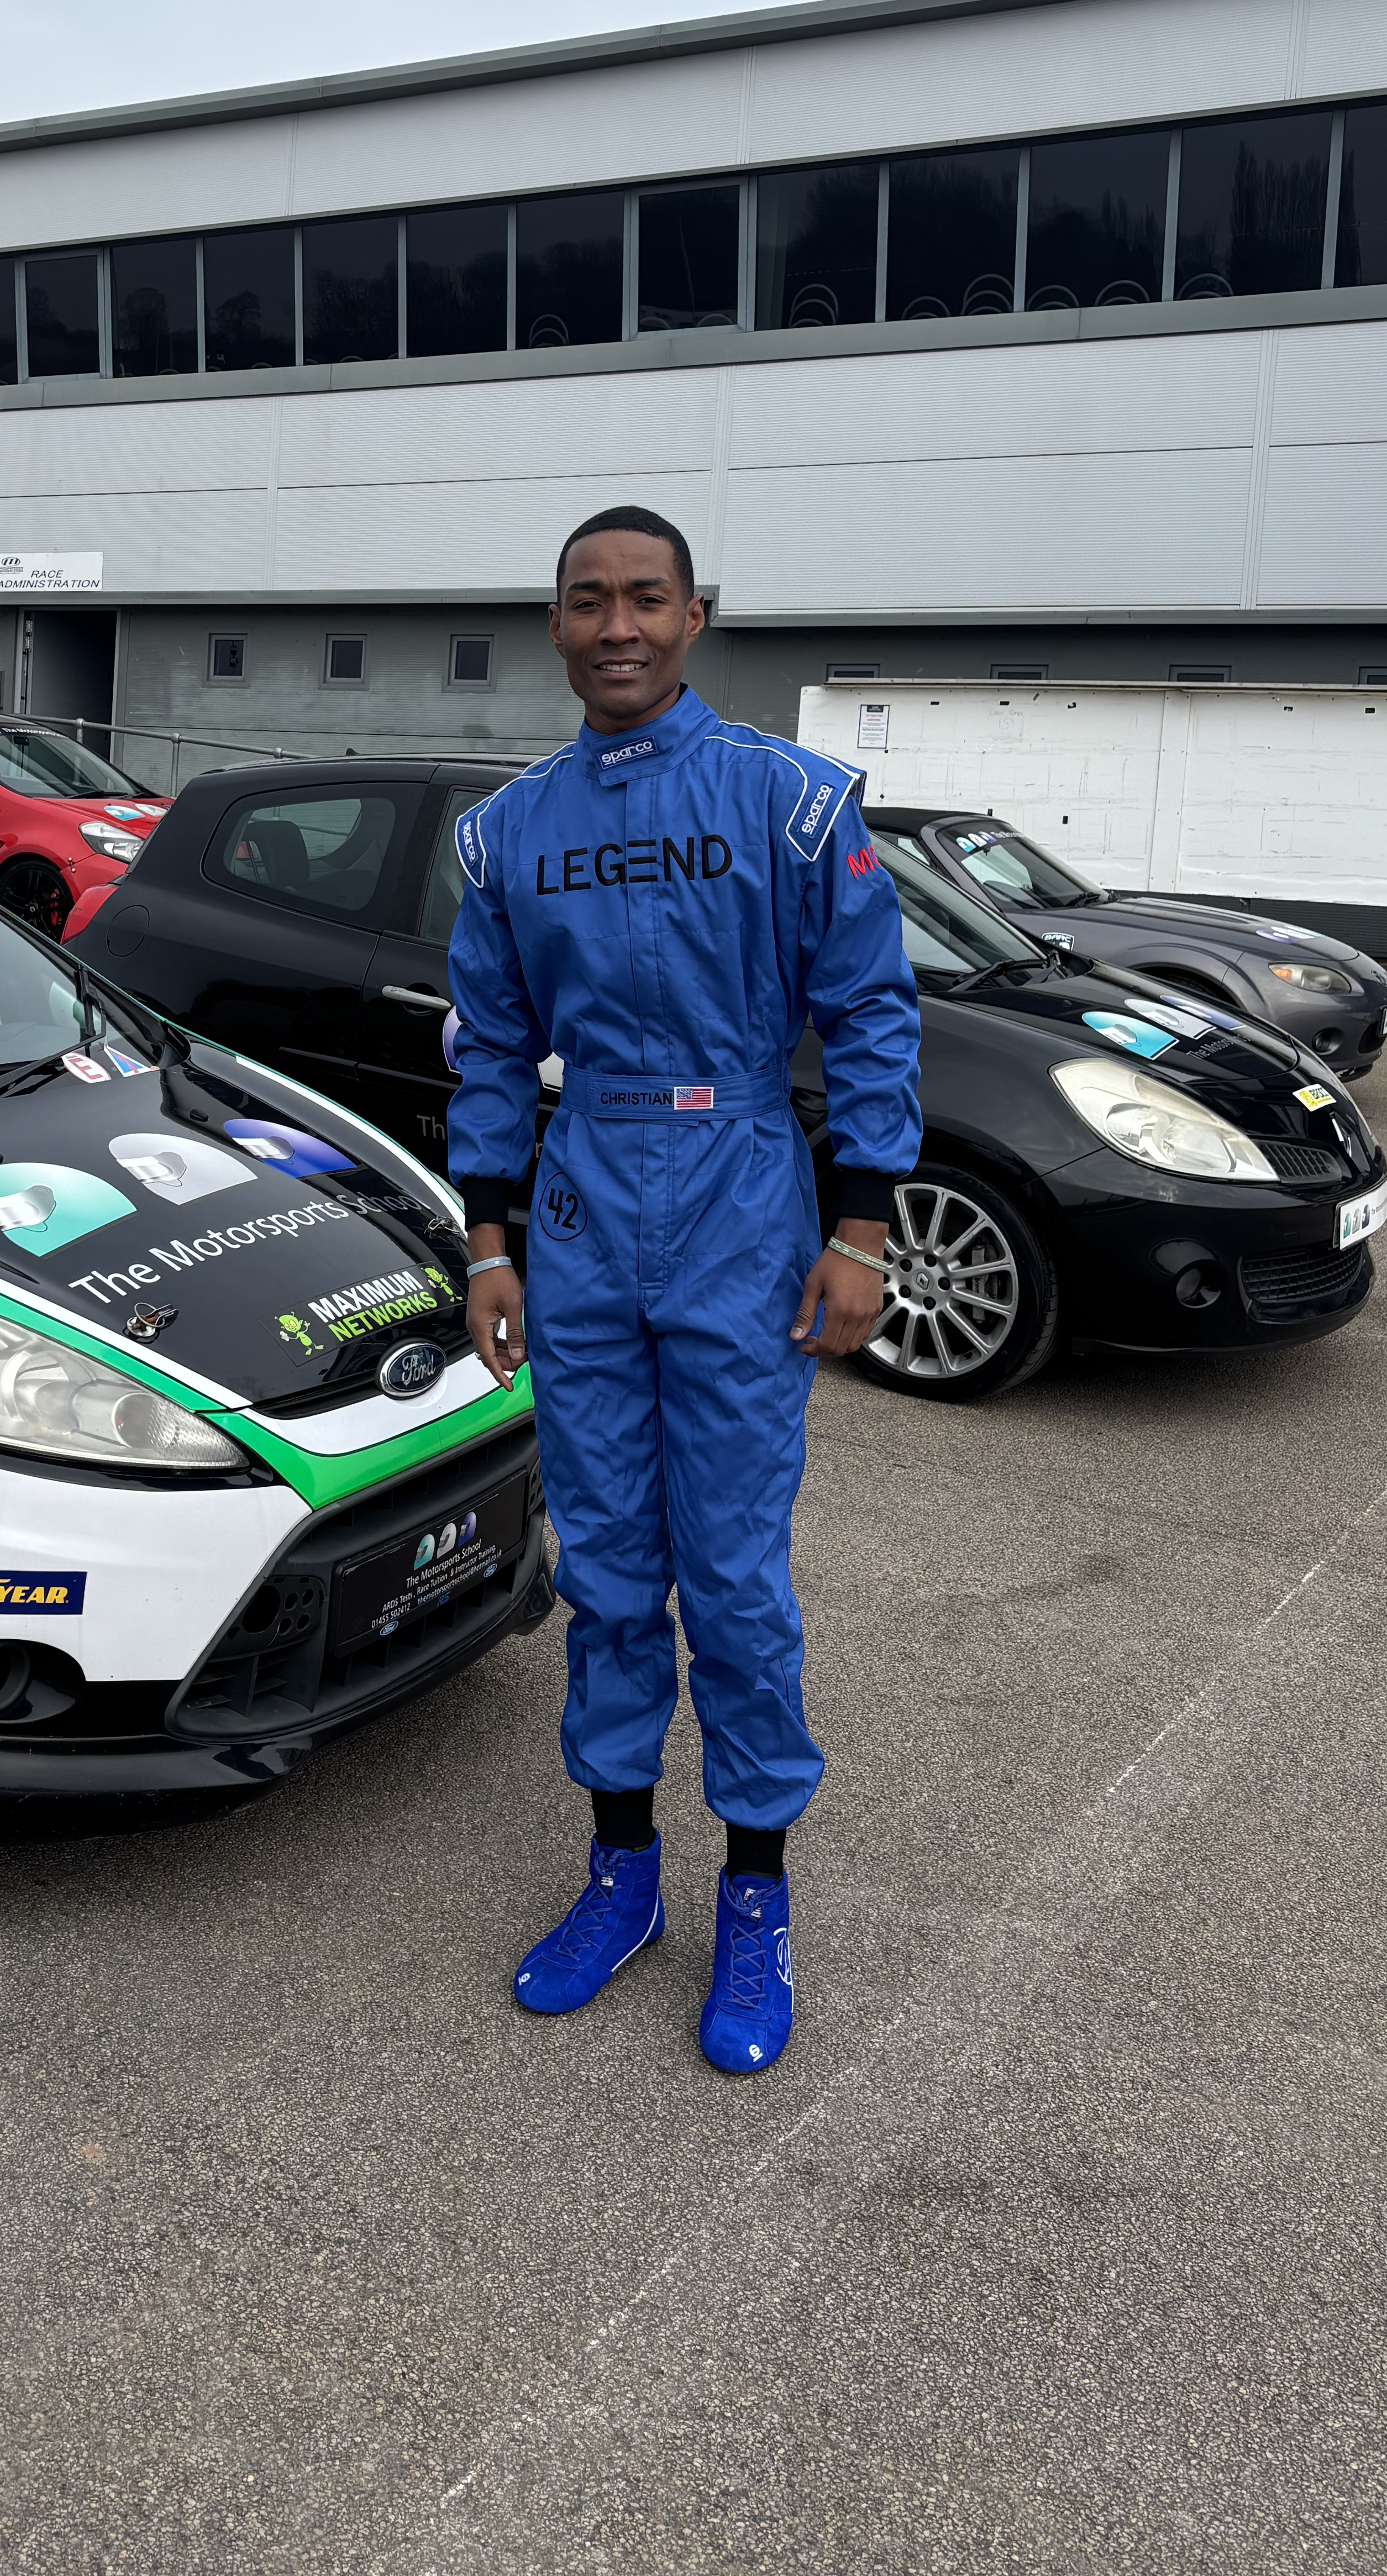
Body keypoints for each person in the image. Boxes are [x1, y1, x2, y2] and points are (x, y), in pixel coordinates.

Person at [446, 506, 920, 2075]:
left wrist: (861, 1226)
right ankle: (622, 1873)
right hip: (582, 1200)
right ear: (555, 624)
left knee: (730, 1575)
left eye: (645, 598)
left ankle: (756, 1897)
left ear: (694, 615)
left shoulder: (793, 802)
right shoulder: (510, 831)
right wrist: (489, 1240)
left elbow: (871, 1012)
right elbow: (489, 1043)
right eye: (588, 601)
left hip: (741, 1196)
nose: (618, 627)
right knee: (604, 1569)